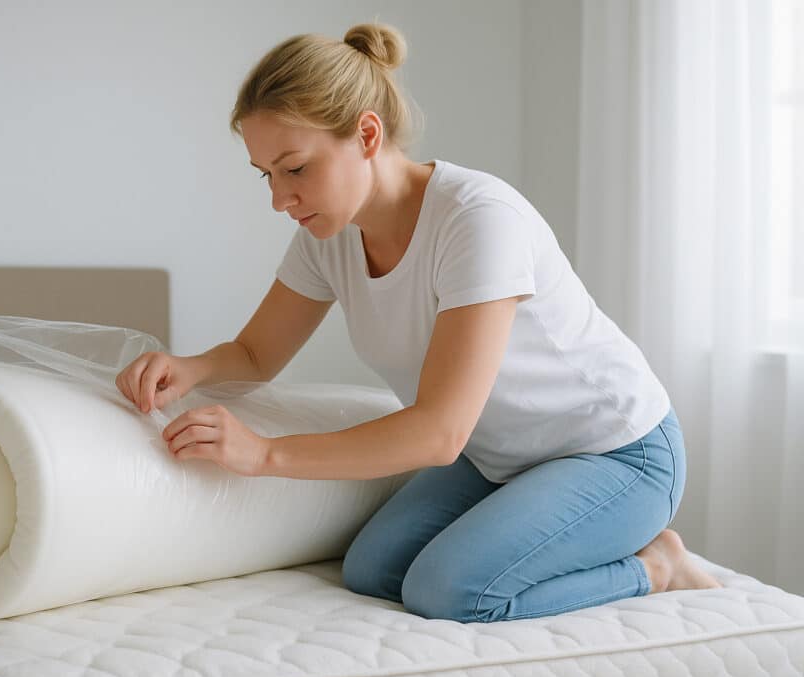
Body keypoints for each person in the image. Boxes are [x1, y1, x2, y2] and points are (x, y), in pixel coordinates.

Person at [115, 22, 721, 624]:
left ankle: (657, 566)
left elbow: (439, 433)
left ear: (367, 135)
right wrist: (189, 367)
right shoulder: (328, 238)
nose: (279, 198)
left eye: (294, 168)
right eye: (265, 174)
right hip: (502, 459)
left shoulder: (477, 220)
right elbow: (255, 354)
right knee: (371, 570)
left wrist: (264, 454)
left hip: (618, 453)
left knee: (449, 591)